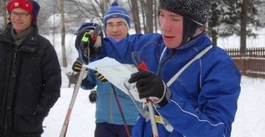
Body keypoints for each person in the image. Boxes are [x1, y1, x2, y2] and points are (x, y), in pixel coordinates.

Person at [76, 0, 241, 136]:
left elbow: (218, 131)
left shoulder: (218, 65)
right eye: (161, 15)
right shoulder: (154, 45)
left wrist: (166, 99)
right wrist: (92, 40)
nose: (164, 26)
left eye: (174, 18)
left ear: (197, 25)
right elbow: (112, 47)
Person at [72, 1, 140, 137]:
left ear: (128, 27)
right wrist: (82, 72)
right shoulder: (98, 52)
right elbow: (88, 83)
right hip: (104, 121)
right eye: (110, 24)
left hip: (132, 120)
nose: (114, 29)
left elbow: (142, 87)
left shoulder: (136, 50)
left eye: (120, 24)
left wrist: (113, 76)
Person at [0, 0, 62, 137]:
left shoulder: (43, 48)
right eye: (14, 13)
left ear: (32, 17)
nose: (17, 18)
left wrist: (38, 113)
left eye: (23, 14)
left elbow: (53, 86)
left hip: (26, 127)